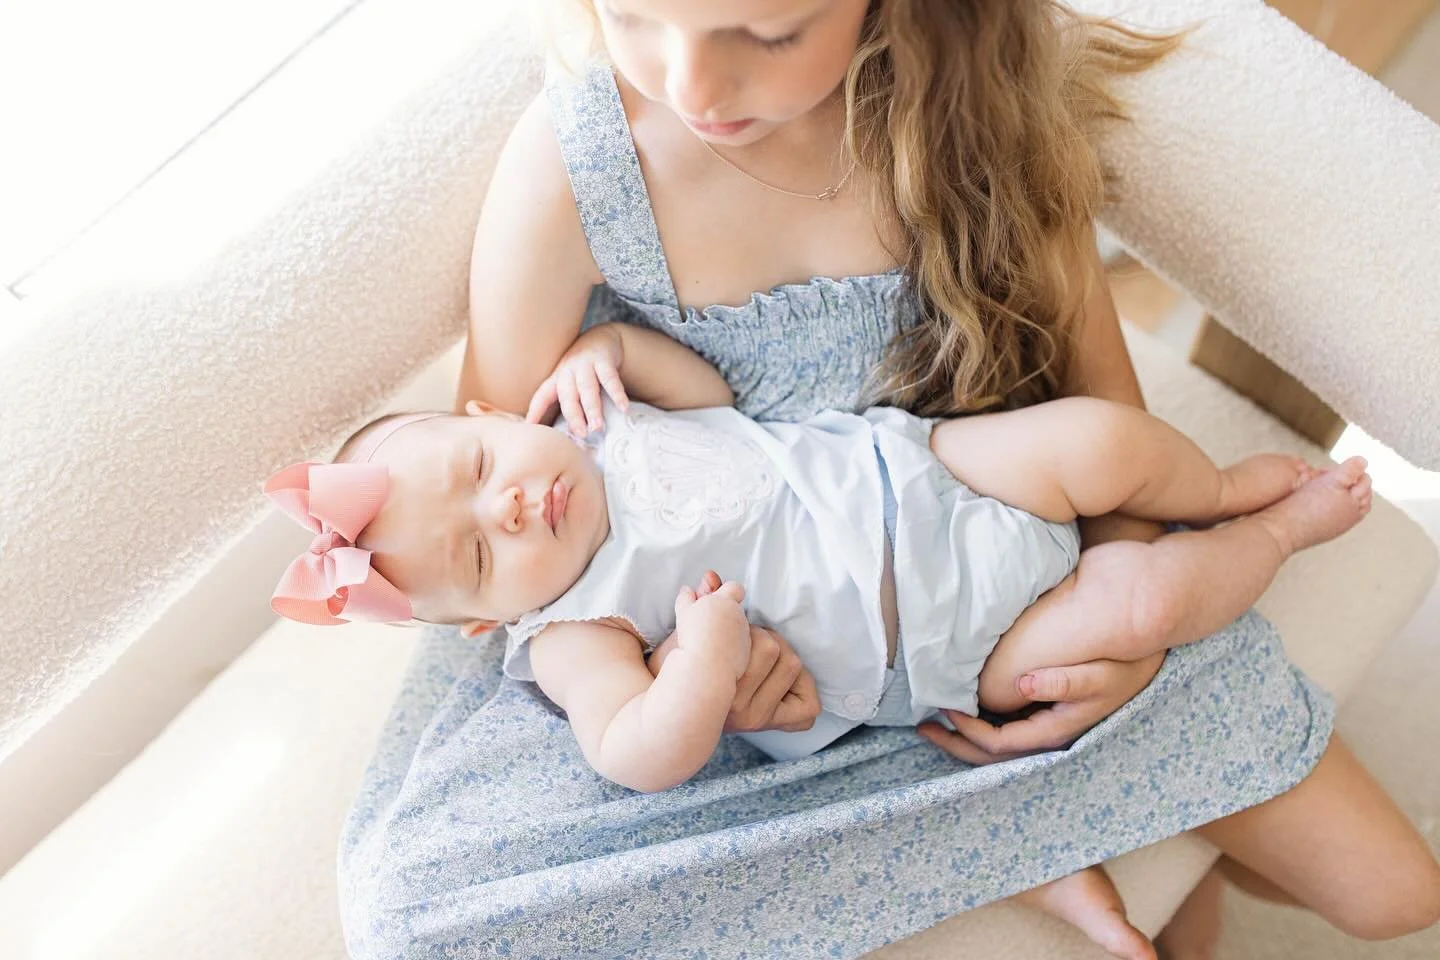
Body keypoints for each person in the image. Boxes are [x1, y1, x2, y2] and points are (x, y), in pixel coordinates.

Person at [335, 2, 1440, 958]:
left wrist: (1123, 631)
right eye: (631, 18)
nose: (689, 83)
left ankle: (1011, 817)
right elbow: (489, 517)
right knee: (413, 908)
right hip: (753, 682)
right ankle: (975, 829)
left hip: (993, 564)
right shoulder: (578, 162)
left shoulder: (984, 121)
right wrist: (688, 673)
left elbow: (1108, 424)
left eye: (766, 32)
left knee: (1396, 896)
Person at [269, 318, 1375, 794]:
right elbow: (631, 750)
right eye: (474, 551)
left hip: (932, 472)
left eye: (475, 462)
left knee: (1101, 439)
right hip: (948, 649)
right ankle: (1276, 531)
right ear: (481, 621)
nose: (507, 505)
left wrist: (612, 350)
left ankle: (1219, 487)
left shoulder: (593, 423)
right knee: (1138, 607)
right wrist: (699, 662)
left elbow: (707, 398)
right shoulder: (573, 630)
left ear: (484, 410)